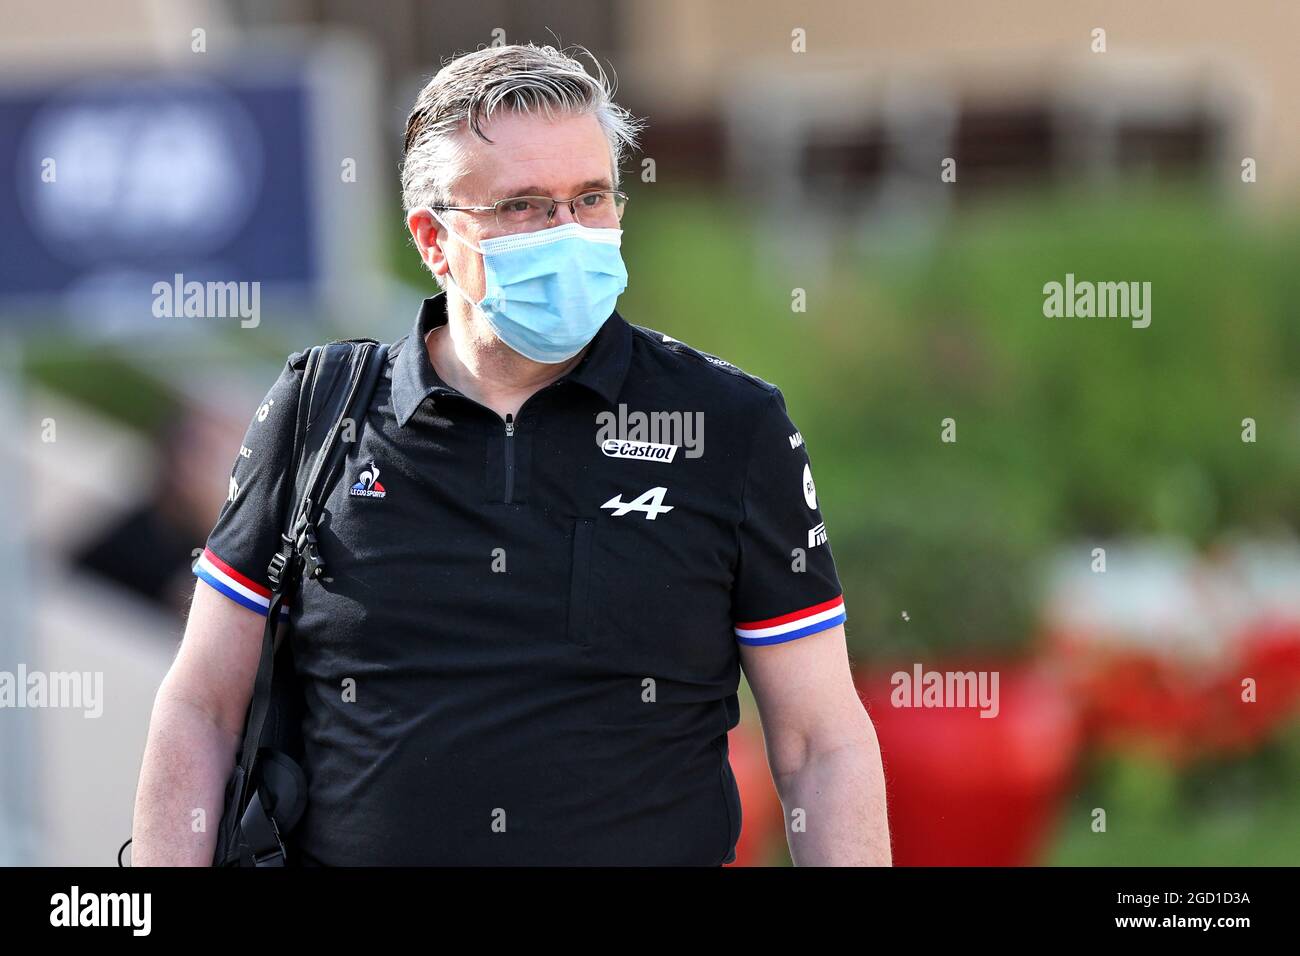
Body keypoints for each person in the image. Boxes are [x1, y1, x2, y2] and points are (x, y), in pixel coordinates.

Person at [132, 42, 890, 866]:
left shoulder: (728, 425)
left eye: (590, 198)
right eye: (525, 206)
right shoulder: (320, 410)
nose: (569, 232)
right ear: (432, 238)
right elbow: (203, 707)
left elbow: (821, 744)